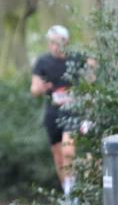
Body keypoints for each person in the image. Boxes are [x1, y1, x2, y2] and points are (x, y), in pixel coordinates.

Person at [30, 25, 90, 195]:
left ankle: (73, 191)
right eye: (51, 43)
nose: (55, 46)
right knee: (58, 157)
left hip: (73, 112)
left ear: (66, 42)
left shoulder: (77, 59)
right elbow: (33, 89)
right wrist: (41, 88)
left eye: (58, 42)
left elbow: (92, 75)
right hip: (52, 113)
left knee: (68, 149)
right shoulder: (42, 62)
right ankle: (67, 191)